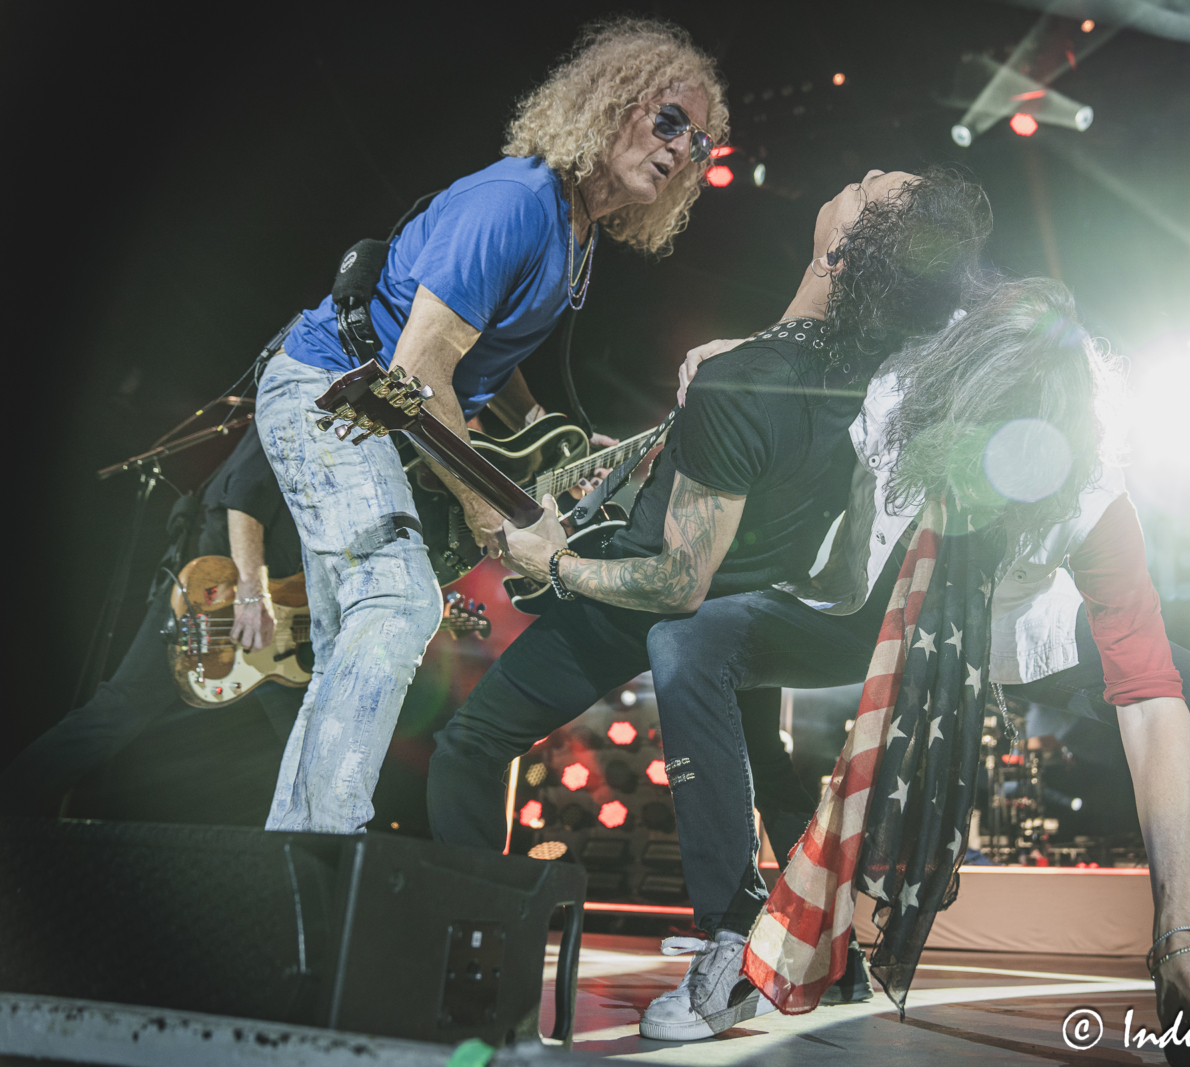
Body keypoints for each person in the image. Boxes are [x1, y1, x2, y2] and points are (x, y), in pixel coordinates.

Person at [663, 277, 1190, 1060]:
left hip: (1017, 623)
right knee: (690, 642)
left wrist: (1182, 938)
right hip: (875, 604)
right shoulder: (895, 387)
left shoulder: (1094, 488)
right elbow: (822, 320)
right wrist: (738, 358)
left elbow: (1149, 695)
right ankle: (741, 926)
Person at [426, 166, 994, 1041]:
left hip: (651, 593)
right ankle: (824, 956)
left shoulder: (749, 379)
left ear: (845, 248)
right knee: (761, 765)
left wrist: (558, 558)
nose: (869, 172)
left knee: (468, 744)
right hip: (765, 593)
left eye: (878, 191)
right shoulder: (884, 374)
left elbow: (672, 581)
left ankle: (482, 953)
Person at [254, 18, 727, 834]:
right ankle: (333, 840)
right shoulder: (515, 202)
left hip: (379, 411)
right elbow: (416, 373)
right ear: (609, 104)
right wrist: (495, 512)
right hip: (328, 394)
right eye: (668, 119)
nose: (682, 148)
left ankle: (295, 858)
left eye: (701, 141)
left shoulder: (576, 230)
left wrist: (543, 426)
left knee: (349, 642)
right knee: (399, 605)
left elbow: (478, 341)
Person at [0, 424, 304, 815]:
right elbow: (241, 496)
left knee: (306, 730)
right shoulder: (292, 405)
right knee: (119, 711)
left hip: (273, 614)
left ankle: (331, 853)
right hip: (212, 597)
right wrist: (250, 590)